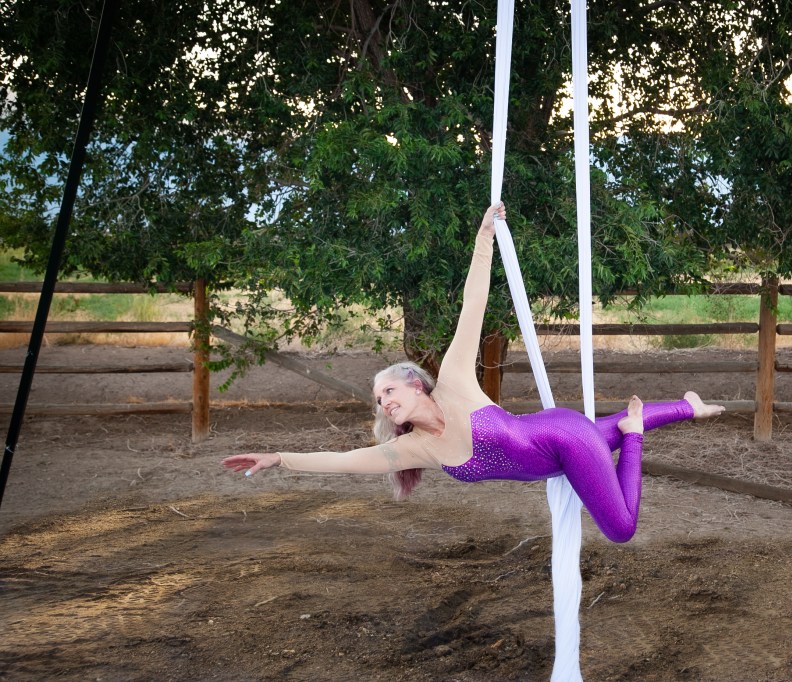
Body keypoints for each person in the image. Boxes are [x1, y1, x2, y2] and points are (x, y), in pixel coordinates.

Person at [223, 202, 724, 543]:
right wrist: (279, 458)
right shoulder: (415, 449)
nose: (384, 402)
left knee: (621, 529)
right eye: (378, 400)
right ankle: (688, 407)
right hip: (555, 455)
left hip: (563, 436)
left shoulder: (456, 381)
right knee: (603, 432)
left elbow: (473, 306)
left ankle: (635, 433)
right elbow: (344, 461)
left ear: (415, 384)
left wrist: (485, 238)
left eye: (388, 390)